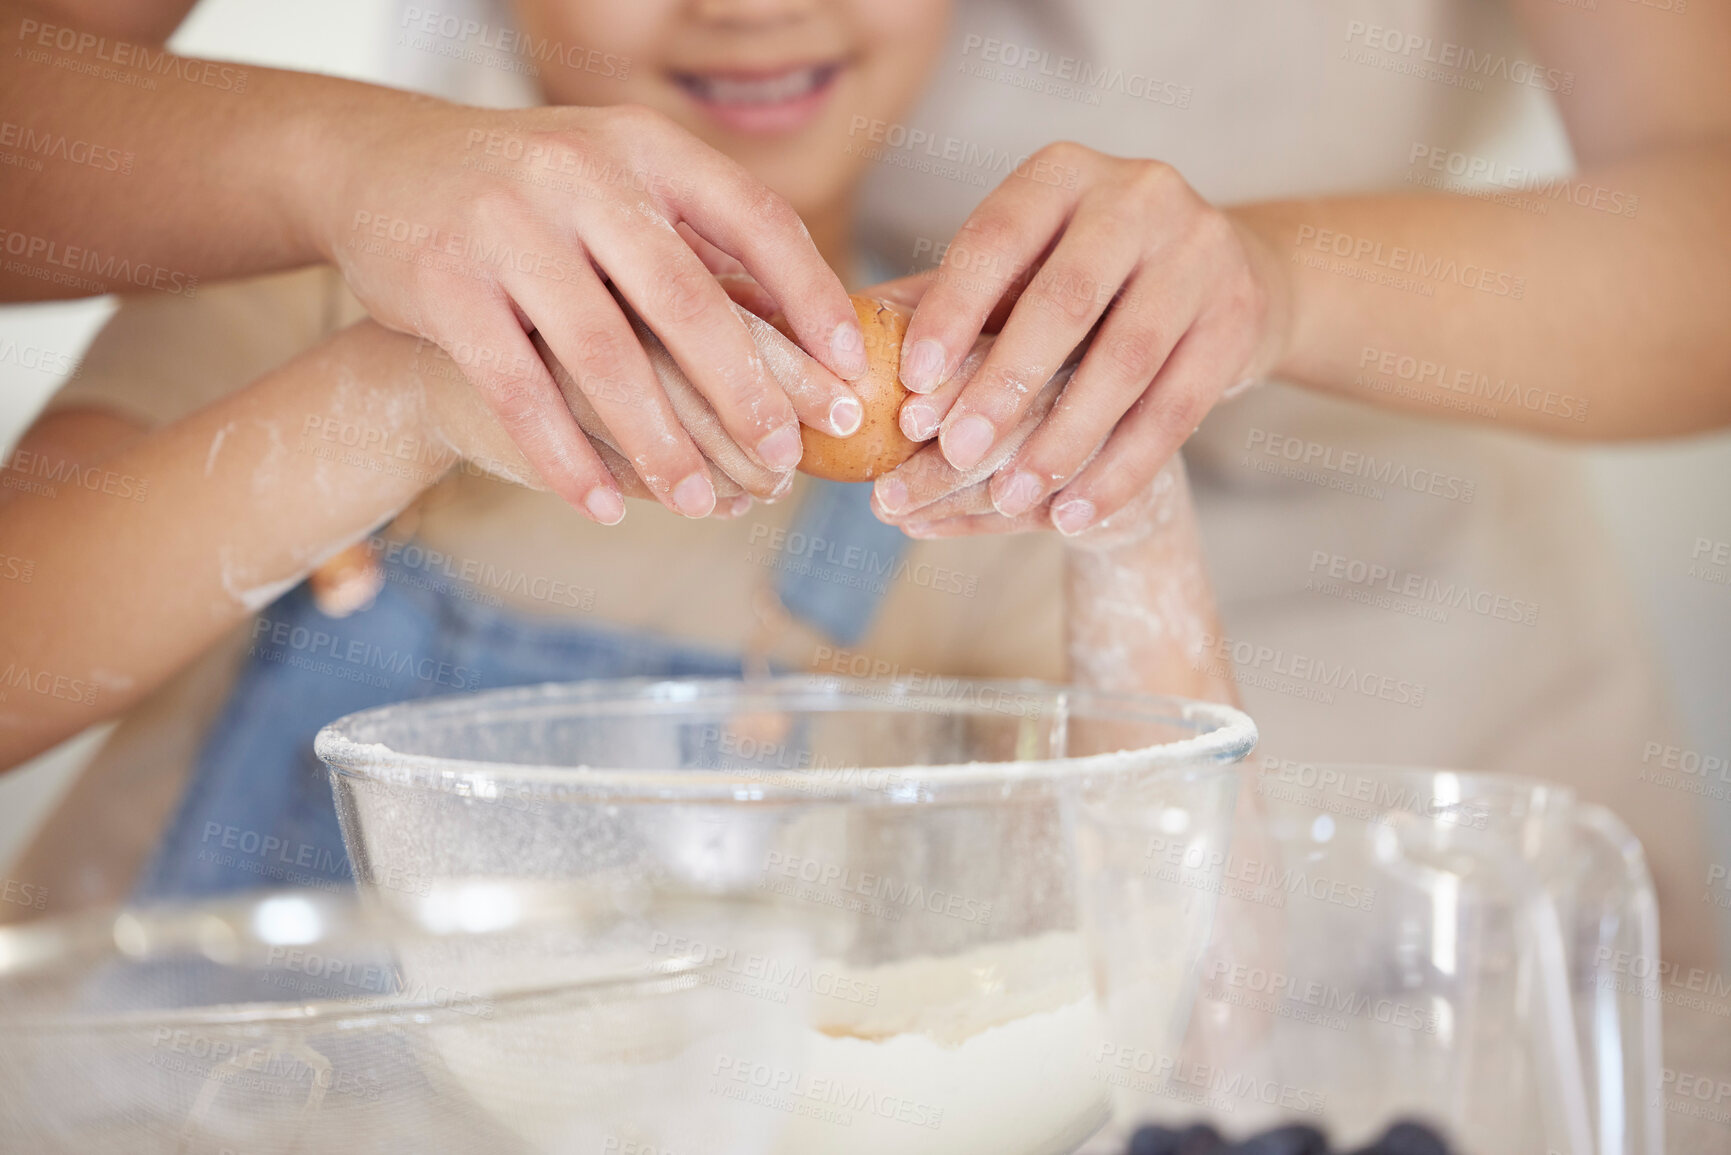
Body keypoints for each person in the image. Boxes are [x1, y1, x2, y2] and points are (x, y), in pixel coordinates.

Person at [3, 0, 1727, 968]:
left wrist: (1115, 482)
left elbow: (1183, 987)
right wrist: (381, 406)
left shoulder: (948, 487)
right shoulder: (299, 285)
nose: (751, 2)